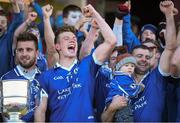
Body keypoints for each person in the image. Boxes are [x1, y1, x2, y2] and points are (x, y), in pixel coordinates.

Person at [34, 4, 116, 122]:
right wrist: (46, 18)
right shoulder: (46, 76)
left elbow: (111, 41)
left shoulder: (87, 66)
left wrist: (94, 14)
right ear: (58, 46)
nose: (72, 39)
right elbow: (40, 111)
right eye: (66, 38)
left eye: (73, 38)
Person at [101, 1, 177, 121]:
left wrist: (168, 15)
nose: (143, 60)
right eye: (139, 56)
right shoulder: (119, 81)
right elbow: (104, 120)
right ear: (131, 58)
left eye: (147, 57)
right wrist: (112, 108)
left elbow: (170, 48)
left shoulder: (157, 78)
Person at [0, 32, 41, 122]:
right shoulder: (7, 79)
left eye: (29, 49)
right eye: (20, 50)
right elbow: (8, 118)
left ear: (37, 53)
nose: (24, 54)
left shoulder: (45, 78)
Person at [105, 53, 144, 122]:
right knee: (126, 119)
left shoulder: (121, 77)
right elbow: (130, 90)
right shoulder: (123, 77)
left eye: (132, 66)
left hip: (115, 102)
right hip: (119, 103)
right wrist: (140, 87)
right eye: (126, 65)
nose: (130, 67)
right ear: (119, 67)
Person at [0, 0, 24, 77]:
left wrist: (14, 4)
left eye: (3, 22)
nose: (0, 24)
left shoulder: (8, 39)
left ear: (7, 25)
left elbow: (18, 21)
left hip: (5, 83)